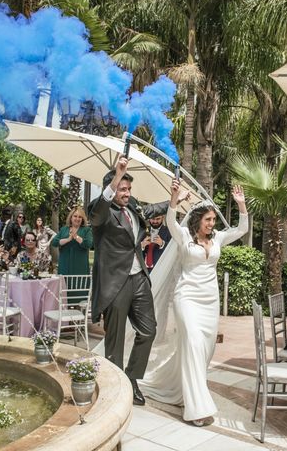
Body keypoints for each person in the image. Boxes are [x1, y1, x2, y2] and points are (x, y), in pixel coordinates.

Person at [141, 180, 248, 426]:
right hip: (186, 297)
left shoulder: (219, 238)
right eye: (208, 220)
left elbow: (241, 230)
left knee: (204, 351)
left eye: (213, 220)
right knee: (192, 343)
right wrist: (174, 200)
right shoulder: (184, 236)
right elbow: (170, 222)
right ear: (198, 219)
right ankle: (196, 407)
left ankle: (179, 390)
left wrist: (241, 206)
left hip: (210, 301)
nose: (212, 224)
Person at [88, 157, 187, 407]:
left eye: (128, 189)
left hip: (139, 278)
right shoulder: (100, 211)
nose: (127, 193)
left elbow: (152, 210)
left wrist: (177, 198)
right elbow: (98, 212)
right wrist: (118, 174)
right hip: (115, 282)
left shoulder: (131, 206)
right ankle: (114, 385)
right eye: (122, 188)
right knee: (116, 338)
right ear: (112, 188)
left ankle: (131, 378)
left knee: (149, 330)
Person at [51, 207, 93, 276]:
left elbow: (89, 244)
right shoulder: (64, 229)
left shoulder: (87, 230)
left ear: (82, 219)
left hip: (80, 266)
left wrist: (76, 236)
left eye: (80, 217)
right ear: (71, 217)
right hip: (64, 265)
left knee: (79, 285)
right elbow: (54, 242)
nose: (77, 219)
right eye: (75, 216)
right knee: (64, 285)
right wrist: (68, 240)